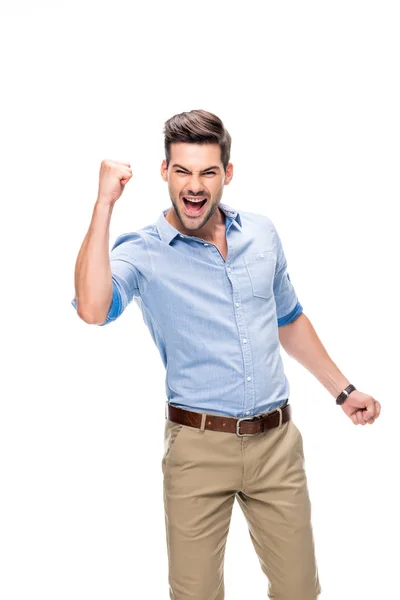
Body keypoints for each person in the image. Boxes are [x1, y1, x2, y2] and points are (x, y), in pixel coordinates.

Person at [71, 109, 381, 600]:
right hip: (198, 449)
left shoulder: (261, 233)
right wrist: (104, 202)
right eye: (183, 171)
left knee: (300, 591)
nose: (194, 186)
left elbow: (289, 319)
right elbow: (92, 308)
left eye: (208, 172)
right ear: (165, 172)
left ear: (227, 174)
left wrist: (343, 391)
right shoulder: (146, 250)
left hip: (276, 444)